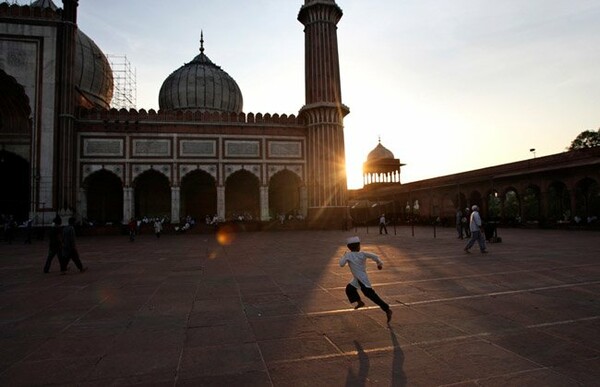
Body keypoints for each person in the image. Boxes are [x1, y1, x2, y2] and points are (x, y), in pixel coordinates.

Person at [340, 236, 393, 323]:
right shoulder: (363, 254)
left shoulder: (348, 255)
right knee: (349, 289)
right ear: (358, 246)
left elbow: (341, 264)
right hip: (357, 279)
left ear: (349, 247)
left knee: (370, 295)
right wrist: (379, 264)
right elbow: (375, 256)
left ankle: (387, 309)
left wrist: (344, 256)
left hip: (362, 280)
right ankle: (360, 302)